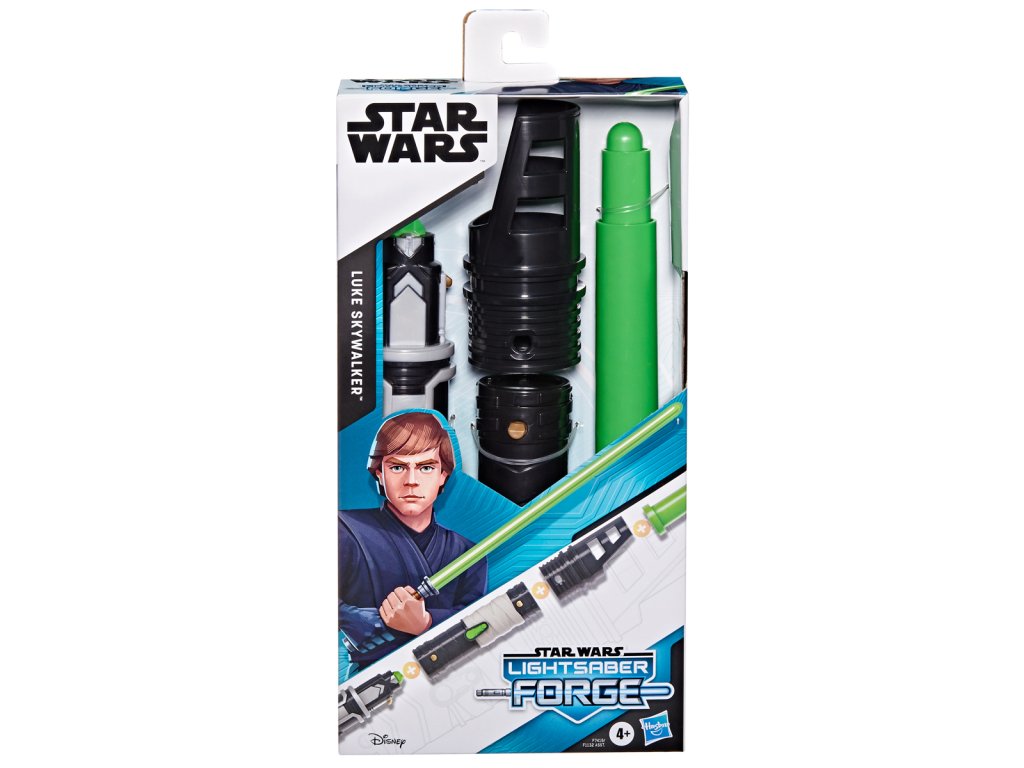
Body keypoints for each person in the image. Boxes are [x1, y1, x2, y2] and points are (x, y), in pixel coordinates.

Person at [339, 411, 487, 672]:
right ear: (379, 473)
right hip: (367, 681)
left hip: (450, 677)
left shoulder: (468, 553)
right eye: (397, 467)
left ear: (443, 475)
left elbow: (479, 625)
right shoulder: (345, 530)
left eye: (426, 468)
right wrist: (352, 618)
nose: (411, 481)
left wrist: (426, 622)